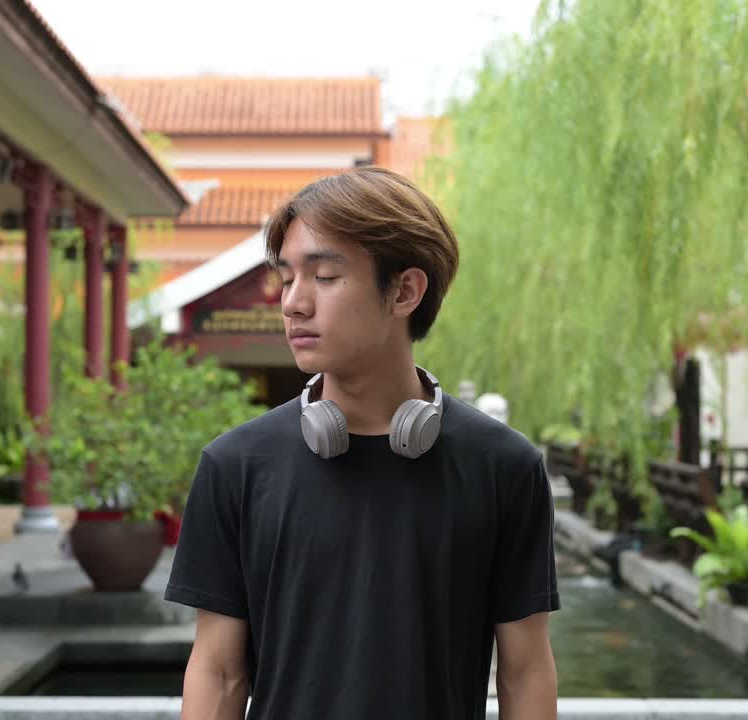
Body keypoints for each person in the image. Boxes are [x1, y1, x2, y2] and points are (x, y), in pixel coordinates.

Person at [166, 167, 560, 719]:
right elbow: (219, 671)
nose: (293, 304)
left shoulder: (504, 468)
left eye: (324, 276)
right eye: (286, 278)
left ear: (404, 291)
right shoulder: (235, 466)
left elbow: (525, 672)